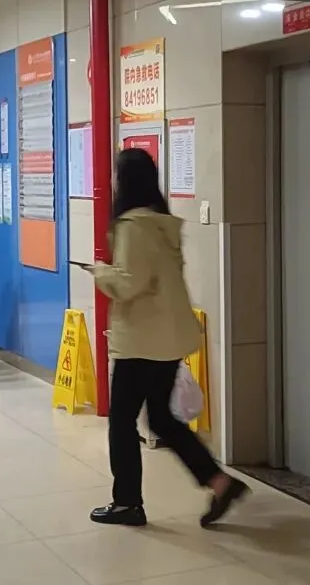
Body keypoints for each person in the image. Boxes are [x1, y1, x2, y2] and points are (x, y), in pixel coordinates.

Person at [91, 147, 248, 528]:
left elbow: (129, 283)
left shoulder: (133, 227)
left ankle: (127, 503)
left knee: (122, 421)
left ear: (124, 182)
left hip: (141, 340)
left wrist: (100, 272)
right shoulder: (162, 224)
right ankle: (219, 481)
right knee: (161, 417)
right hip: (168, 338)